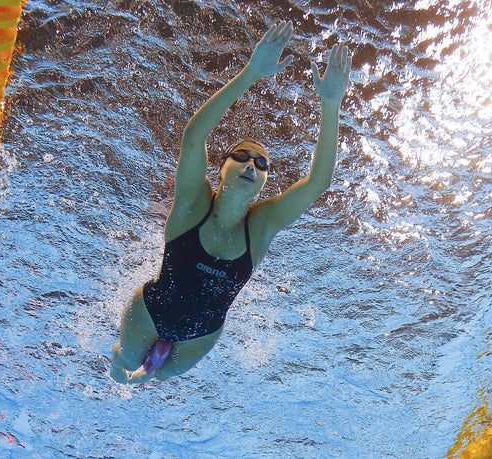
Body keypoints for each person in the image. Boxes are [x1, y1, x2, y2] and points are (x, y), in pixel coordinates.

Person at [110, 21, 351, 383]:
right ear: (220, 170)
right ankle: (121, 361)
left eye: (261, 162)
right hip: (151, 311)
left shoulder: (262, 225)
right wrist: (251, 73)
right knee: (125, 367)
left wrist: (330, 104)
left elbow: (319, 183)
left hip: (202, 335)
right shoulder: (193, 205)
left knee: (158, 379)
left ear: (265, 182)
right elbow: (194, 137)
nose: (251, 164)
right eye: (241, 156)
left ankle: (153, 367)